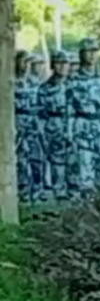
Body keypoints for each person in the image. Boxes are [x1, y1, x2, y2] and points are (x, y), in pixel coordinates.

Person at [67, 37, 100, 197]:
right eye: (88, 52)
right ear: (81, 55)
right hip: (83, 126)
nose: (92, 55)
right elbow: (69, 108)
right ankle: (86, 205)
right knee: (85, 167)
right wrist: (70, 132)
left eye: (95, 51)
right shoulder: (73, 79)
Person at [37, 50, 73, 201]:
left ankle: (74, 192)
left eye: (65, 63)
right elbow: (41, 114)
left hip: (74, 125)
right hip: (54, 125)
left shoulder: (74, 85)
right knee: (57, 161)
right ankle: (59, 192)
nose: (62, 67)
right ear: (52, 65)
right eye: (59, 63)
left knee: (74, 160)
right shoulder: (45, 88)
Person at [14, 50, 44, 202]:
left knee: (37, 158)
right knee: (20, 160)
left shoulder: (35, 82)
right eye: (23, 61)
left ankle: (38, 191)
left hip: (34, 125)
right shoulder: (9, 82)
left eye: (28, 62)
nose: (25, 66)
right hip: (18, 124)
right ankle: (23, 191)